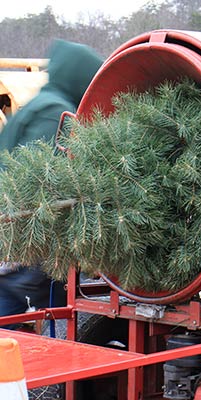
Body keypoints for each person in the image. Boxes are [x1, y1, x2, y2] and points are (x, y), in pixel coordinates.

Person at [0, 40, 103, 329]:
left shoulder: (40, 103)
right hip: (27, 238)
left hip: (15, 233)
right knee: (31, 304)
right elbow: (42, 178)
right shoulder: (56, 112)